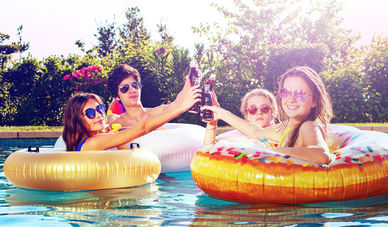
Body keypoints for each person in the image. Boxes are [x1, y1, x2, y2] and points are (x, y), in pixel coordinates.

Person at [202, 66, 334, 165]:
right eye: (286, 92)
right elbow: (256, 131)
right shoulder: (288, 126)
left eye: (300, 93)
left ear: (315, 100)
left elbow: (321, 155)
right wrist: (219, 113)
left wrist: (273, 152)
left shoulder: (308, 126)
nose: (291, 99)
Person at [62, 76, 201, 151]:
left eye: (100, 109)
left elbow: (126, 155)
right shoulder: (93, 143)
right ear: (77, 119)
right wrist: (182, 108)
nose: (99, 115)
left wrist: (114, 137)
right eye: (91, 113)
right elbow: (143, 128)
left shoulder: (93, 141)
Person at [107, 64, 180, 128]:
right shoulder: (113, 121)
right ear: (117, 96)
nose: (132, 90)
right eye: (125, 88)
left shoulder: (158, 113)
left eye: (135, 85)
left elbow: (180, 103)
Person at [203, 88, 277, 145]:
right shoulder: (233, 136)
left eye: (265, 108)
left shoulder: (281, 134)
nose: (259, 112)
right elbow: (206, 151)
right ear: (246, 115)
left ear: (273, 112)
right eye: (253, 109)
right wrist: (212, 122)